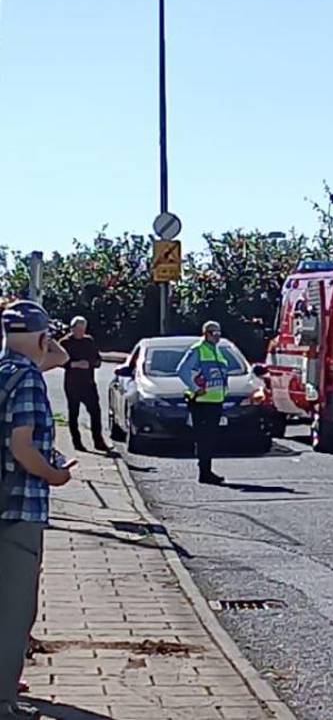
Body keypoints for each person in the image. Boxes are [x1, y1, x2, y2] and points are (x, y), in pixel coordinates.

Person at [1, 301, 73, 720]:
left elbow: (57, 357)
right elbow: (22, 445)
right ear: (44, 337)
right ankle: (3, 702)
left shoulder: (5, 372)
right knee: (14, 609)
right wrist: (54, 475)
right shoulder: (27, 379)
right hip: (18, 505)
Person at [176, 321, 239, 486]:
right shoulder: (198, 350)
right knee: (204, 439)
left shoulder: (216, 351)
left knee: (210, 438)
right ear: (205, 333)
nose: (217, 336)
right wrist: (195, 388)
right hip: (202, 402)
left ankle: (206, 471)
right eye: (213, 333)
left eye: (219, 333)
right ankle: (204, 473)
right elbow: (182, 370)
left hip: (215, 401)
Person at [57, 317, 108, 453]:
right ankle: (77, 442)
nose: (80, 332)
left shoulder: (88, 341)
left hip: (88, 383)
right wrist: (73, 364)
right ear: (72, 328)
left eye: (82, 329)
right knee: (74, 413)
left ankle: (98, 441)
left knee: (95, 412)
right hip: (72, 383)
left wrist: (90, 364)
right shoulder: (65, 342)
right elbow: (58, 360)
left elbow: (98, 360)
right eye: (78, 329)